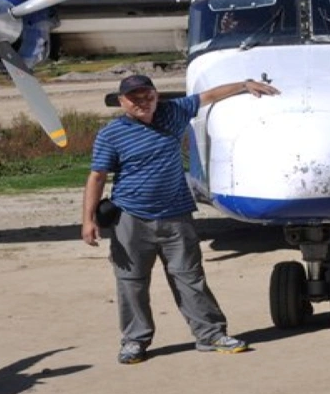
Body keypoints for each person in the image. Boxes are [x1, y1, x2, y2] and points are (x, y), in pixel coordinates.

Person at [82, 74, 280, 365]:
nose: (142, 102)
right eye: (134, 98)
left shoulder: (173, 112)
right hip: (131, 218)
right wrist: (88, 220)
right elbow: (97, 176)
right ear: (122, 101)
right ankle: (135, 341)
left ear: (157, 96)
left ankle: (211, 335)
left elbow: (208, 96)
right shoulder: (111, 134)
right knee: (131, 282)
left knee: (190, 277)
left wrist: (243, 85)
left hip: (177, 215)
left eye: (147, 96)